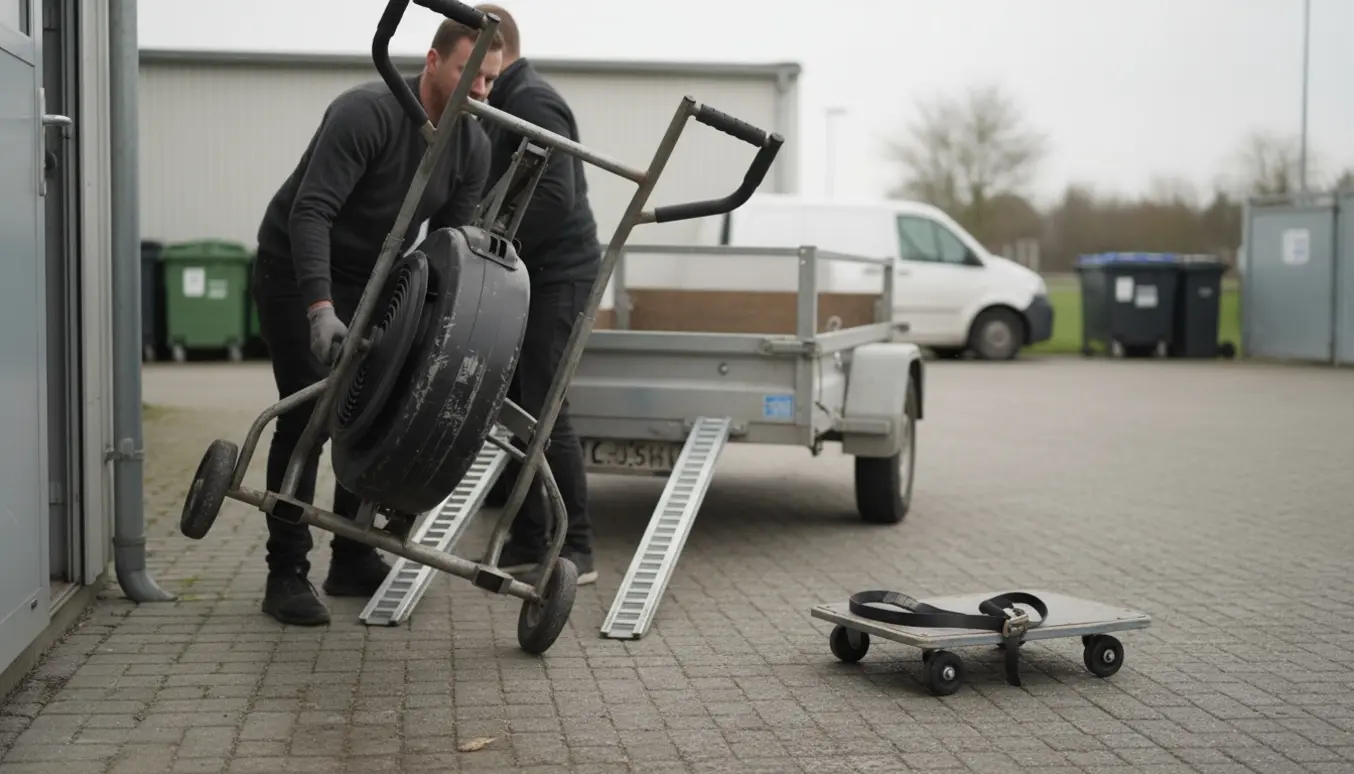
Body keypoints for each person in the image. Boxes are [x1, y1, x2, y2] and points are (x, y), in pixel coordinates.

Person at [249, 19, 504, 626]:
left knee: (376, 410)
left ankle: (352, 557)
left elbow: (455, 247)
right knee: (309, 411)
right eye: (472, 75)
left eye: (492, 80)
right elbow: (310, 213)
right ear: (435, 60)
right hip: (297, 265)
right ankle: (285, 572)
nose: (483, 92)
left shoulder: (473, 145)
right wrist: (319, 311)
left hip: (373, 274)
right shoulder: (366, 113)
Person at [472, 3, 600, 587]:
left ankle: (574, 547)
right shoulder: (504, 100)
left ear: (497, 48)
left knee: (545, 409)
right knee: (520, 406)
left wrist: (495, 241)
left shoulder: (532, 101)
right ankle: (529, 537)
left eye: (479, 60)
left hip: (560, 273)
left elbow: (558, 195)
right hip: (531, 273)